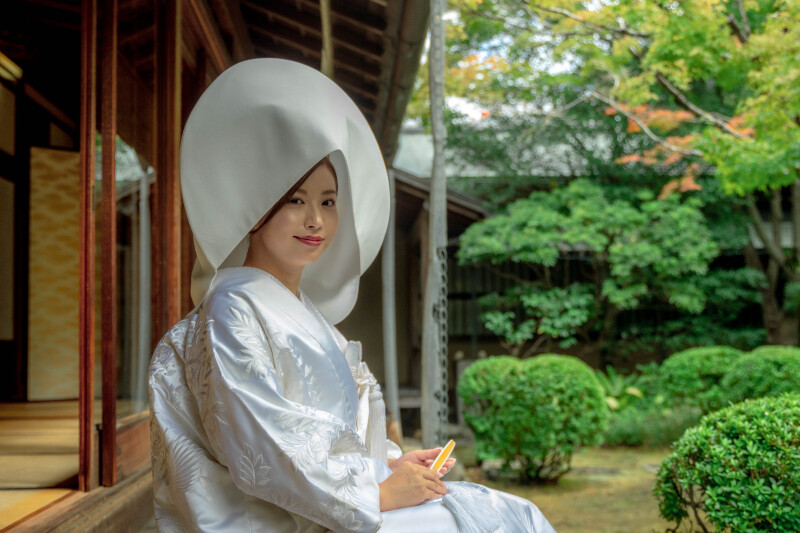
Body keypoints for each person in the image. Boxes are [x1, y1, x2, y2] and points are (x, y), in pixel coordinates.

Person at [148, 58, 556, 533]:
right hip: (279, 520)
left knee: (508, 512)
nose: (316, 220)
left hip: (332, 505)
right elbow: (262, 443)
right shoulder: (232, 308)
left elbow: (333, 431)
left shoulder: (300, 311)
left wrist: (391, 465)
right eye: (296, 200)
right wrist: (376, 493)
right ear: (256, 209)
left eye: (328, 201)